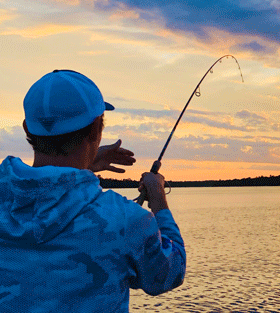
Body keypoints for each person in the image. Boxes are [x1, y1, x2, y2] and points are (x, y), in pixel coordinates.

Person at [0, 70, 186, 312]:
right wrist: (159, 201)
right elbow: (169, 273)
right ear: (97, 127)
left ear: (27, 128)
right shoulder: (124, 220)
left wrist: (83, 165)